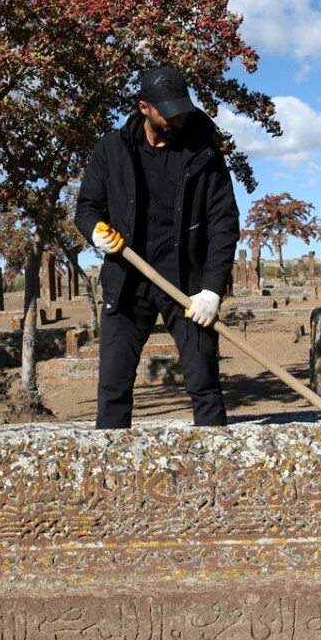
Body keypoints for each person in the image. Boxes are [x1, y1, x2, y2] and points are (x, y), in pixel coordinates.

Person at [74, 66, 240, 429]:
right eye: (169, 110)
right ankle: (110, 470)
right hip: (128, 281)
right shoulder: (112, 150)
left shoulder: (204, 156)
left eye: (182, 108)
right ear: (144, 107)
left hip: (187, 286)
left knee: (204, 384)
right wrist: (95, 232)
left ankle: (216, 466)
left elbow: (224, 225)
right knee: (113, 387)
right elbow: (87, 207)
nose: (179, 117)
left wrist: (211, 290)